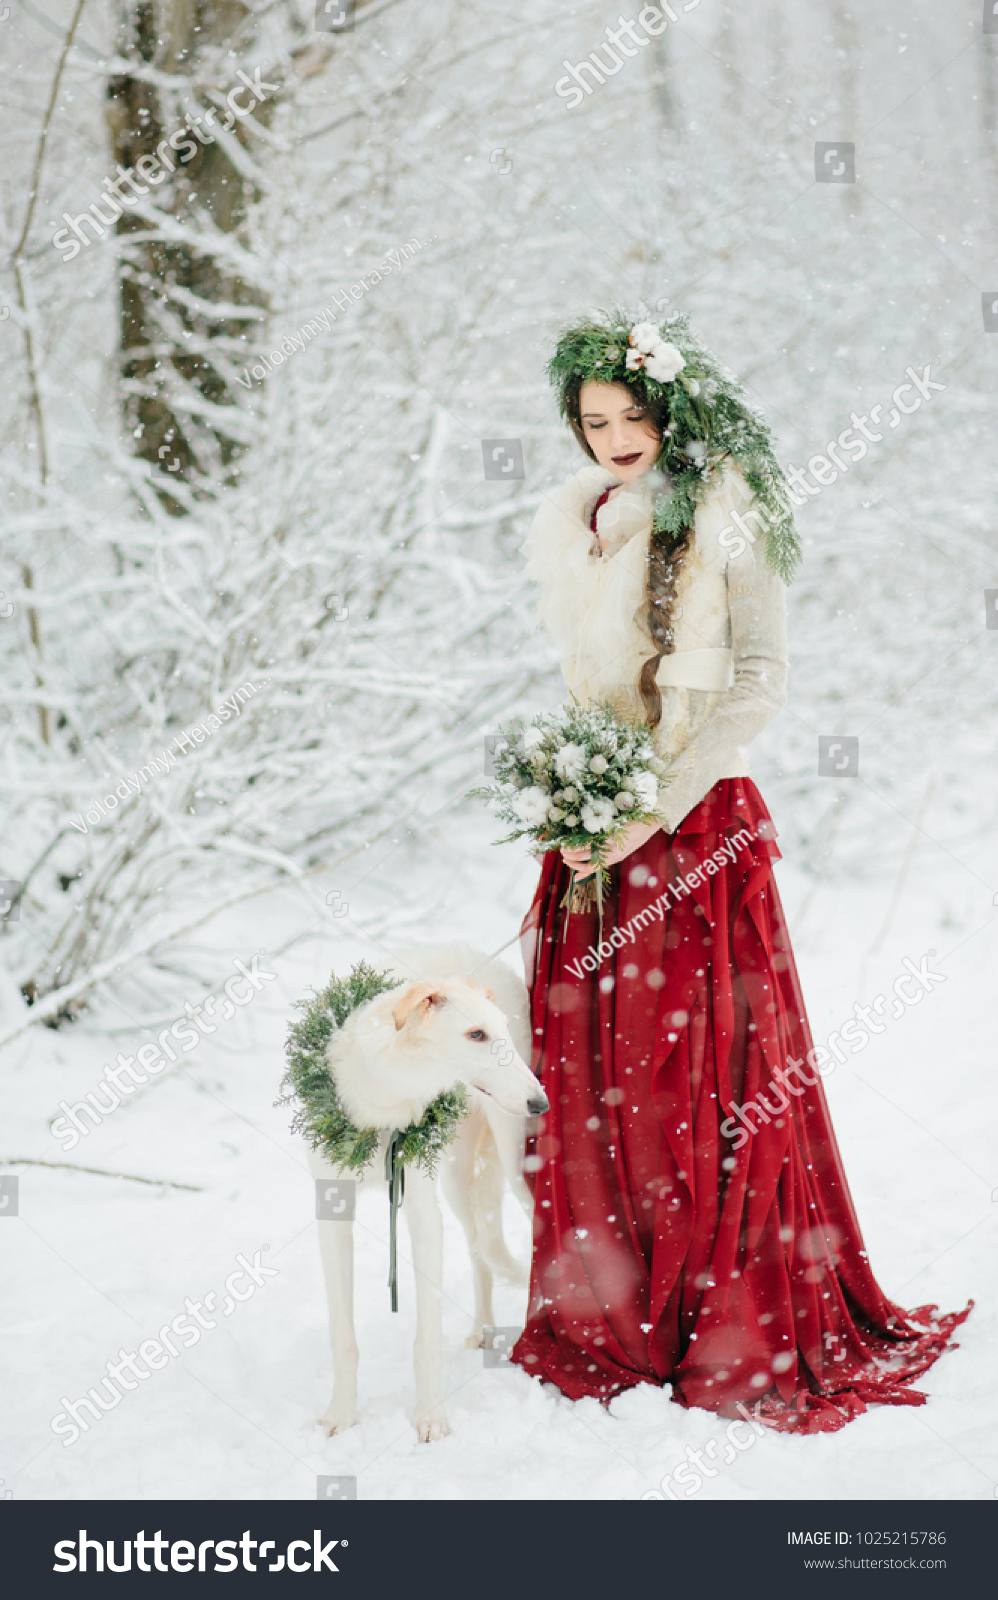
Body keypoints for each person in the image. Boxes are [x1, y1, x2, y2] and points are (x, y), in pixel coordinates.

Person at [508, 309, 970, 1433]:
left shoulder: (724, 512)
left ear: (670, 408)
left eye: (629, 414)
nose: (614, 438)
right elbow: (591, 693)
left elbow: (755, 683)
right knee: (592, 1070)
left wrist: (645, 811)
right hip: (592, 840)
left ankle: (723, 1313)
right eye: (592, 420)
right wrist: (572, 805)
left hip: (693, 833)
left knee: (695, 1081)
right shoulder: (579, 525)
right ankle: (613, 1311)